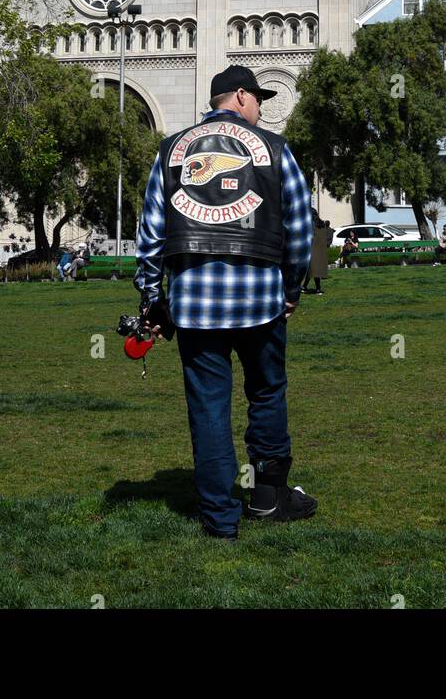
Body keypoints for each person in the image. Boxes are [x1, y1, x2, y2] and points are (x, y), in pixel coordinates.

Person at [135, 64, 316, 541]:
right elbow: (301, 230)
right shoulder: (276, 151)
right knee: (266, 394)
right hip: (261, 300)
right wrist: (292, 289)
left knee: (209, 410)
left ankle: (219, 521)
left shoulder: (172, 149)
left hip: (194, 304)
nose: (260, 110)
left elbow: (150, 233)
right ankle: (268, 499)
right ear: (239, 96)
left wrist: (153, 298)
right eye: (258, 100)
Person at [303, 208, 332, 294]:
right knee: (312, 270)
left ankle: (317, 289)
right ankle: (305, 287)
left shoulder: (311, 224)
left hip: (312, 248)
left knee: (313, 270)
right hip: (320, 249)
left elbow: (309, 237)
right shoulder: (322, 224)